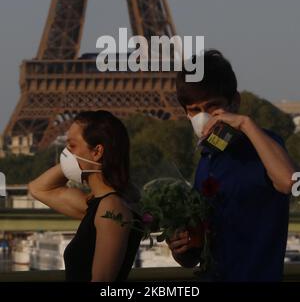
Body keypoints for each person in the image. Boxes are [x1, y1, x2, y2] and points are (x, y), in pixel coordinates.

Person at [167, 49, 296, 281]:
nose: (203, 117)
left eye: (212, 106)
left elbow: (289, 181)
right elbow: (196, 255)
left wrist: (246, 124)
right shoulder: (207, 159)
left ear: (235, 102)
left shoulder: (263, 145)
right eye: (194, 110)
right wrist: (182, 247)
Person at [29, 110, 143, 282]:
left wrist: (75, 162)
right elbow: (38, 189)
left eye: (72, 145)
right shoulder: (95, 204)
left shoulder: (111, 209)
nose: (66, 152)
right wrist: (70, 162)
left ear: (97, 152)